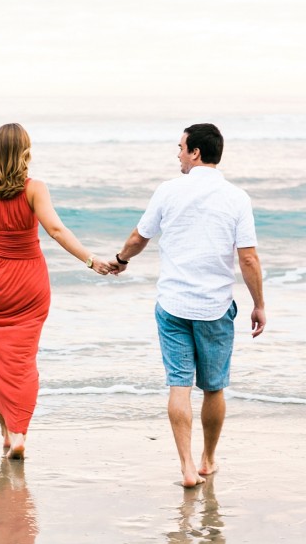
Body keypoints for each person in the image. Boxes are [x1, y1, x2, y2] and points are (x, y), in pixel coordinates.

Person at [110, 123, 266, 487]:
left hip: (173, 305)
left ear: (196, 152)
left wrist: (120, 260)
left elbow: (138, 237)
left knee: (179, 386)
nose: (178, 153)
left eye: (181, 147)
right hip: (215, 307)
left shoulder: (168, 191)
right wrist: (259, 304)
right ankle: (208, 460)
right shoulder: (237, 198)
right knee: (213, 387)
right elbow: (249, 260)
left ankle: (185, 467)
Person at [0, 123, 112, 459]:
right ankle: (19, 434)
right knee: (23, 360)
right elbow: (57, 231)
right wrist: (91, 261)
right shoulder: (34, 189)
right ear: (25, 152)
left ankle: (5, 433)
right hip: (30, 281)